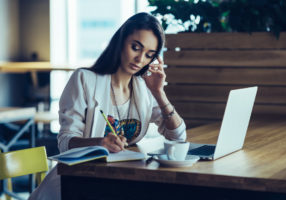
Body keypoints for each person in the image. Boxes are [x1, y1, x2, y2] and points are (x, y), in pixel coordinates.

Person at [29, 12, 186, 200]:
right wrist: (99, 143)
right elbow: (65, 143)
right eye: (136, 47)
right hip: (75, 184)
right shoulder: (84, 80)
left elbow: (178, 137)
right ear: (120, 41)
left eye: (149, 55)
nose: (140, 59)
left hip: (119, 182)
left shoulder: (143, 87)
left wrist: (159, 93)